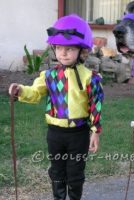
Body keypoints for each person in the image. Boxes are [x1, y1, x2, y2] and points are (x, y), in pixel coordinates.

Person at [8, 14, 104, 200]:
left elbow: (96, 105)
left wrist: (95, 131)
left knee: (75, 174)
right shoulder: (48, 76)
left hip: (79, 134)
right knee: (57, 172)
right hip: (55, 134)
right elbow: (35, 92)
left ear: (82, 51)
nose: (63, 53)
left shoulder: (90, 77)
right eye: (59, 48)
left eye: (69, 48)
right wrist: (20, 91)